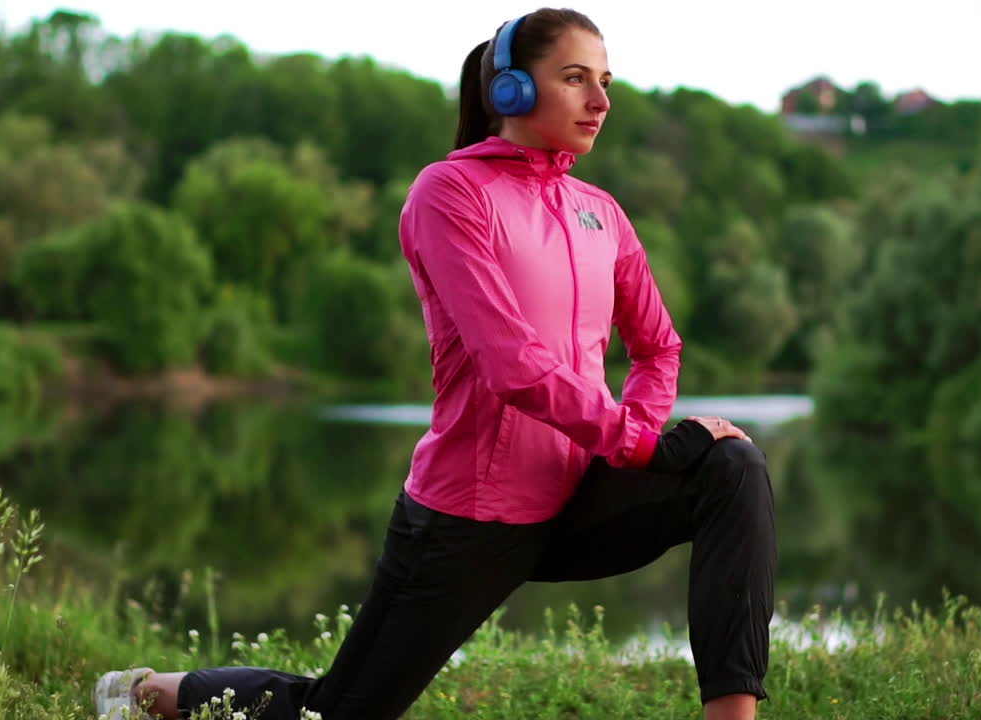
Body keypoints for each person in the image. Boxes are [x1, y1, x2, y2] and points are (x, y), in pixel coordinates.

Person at [94, 8, 776, 720]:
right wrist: (642, 441)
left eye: (605, 82)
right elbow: (513, 366)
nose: (601, 101)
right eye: (575, 80)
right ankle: (147, 693)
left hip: (580, 497)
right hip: (472, 516)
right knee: (339, 712)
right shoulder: (449, 195)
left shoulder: (600, 212)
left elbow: (658, 343)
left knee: (734, 468)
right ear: (509, 90)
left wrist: (639, 444)